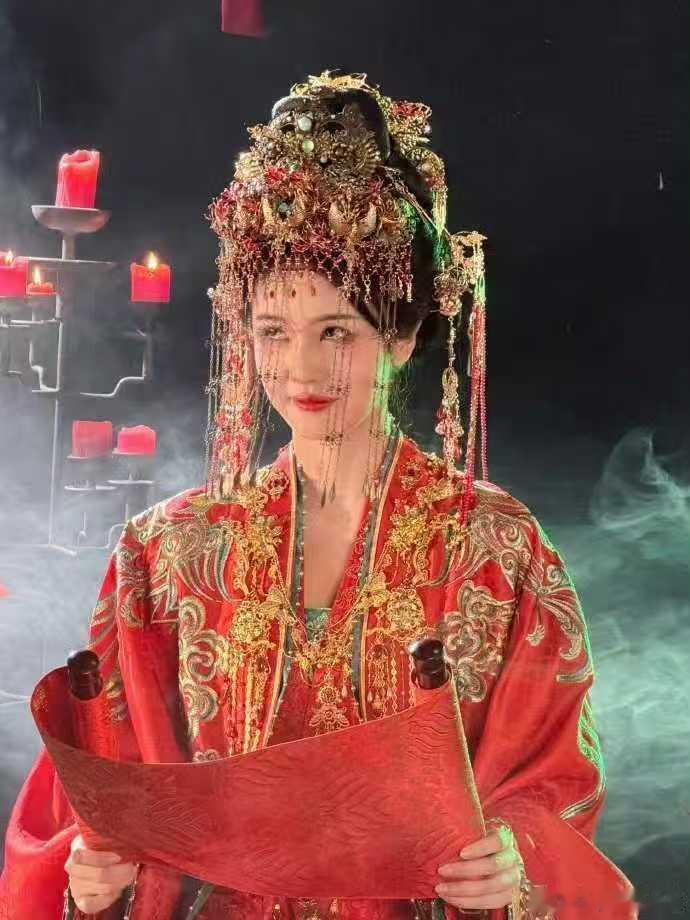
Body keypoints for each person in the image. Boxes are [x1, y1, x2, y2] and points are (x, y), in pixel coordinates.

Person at [0, 71, 637, 920]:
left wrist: (513, 860)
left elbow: (556, 780)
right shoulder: (167, 553)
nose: (299, 369)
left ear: (403, 337)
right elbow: (92, 796)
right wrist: (90, 875)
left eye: (336, 331)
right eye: (273, 331)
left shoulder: (495, 546)